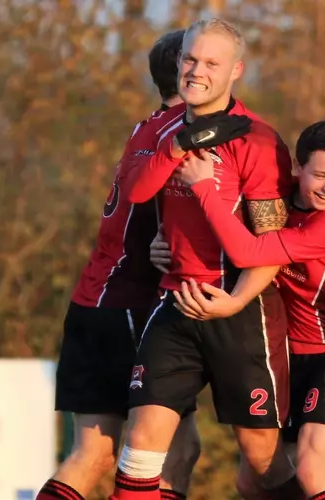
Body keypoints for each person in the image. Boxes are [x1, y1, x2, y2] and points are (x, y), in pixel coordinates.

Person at [109, 18, 304, 500]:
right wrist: (179, 146)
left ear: (235, 70)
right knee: (140, 445)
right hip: (173, 304)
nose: (196, 71)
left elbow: (273, 243)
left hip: (240, 311)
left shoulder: (257, 139)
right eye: (190, 59)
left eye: (211, 63)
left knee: (260, 459)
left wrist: (235, 301)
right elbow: (136, 190)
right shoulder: (163, 131)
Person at [171, 120, 325, 499]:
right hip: (283, 352)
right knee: (253, 481)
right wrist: (164, 242)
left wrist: (202, 186)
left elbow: (247, 252)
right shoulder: (274, 199)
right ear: (297, 167)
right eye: (320, 175)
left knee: (315, 470)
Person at [37, 30, 201, 500]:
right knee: (155, 454)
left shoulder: (148, 127)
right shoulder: (184, 133)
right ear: (186, 72)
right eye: (202, 62)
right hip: (128, 304)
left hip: (98, 298)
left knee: (142, 452)